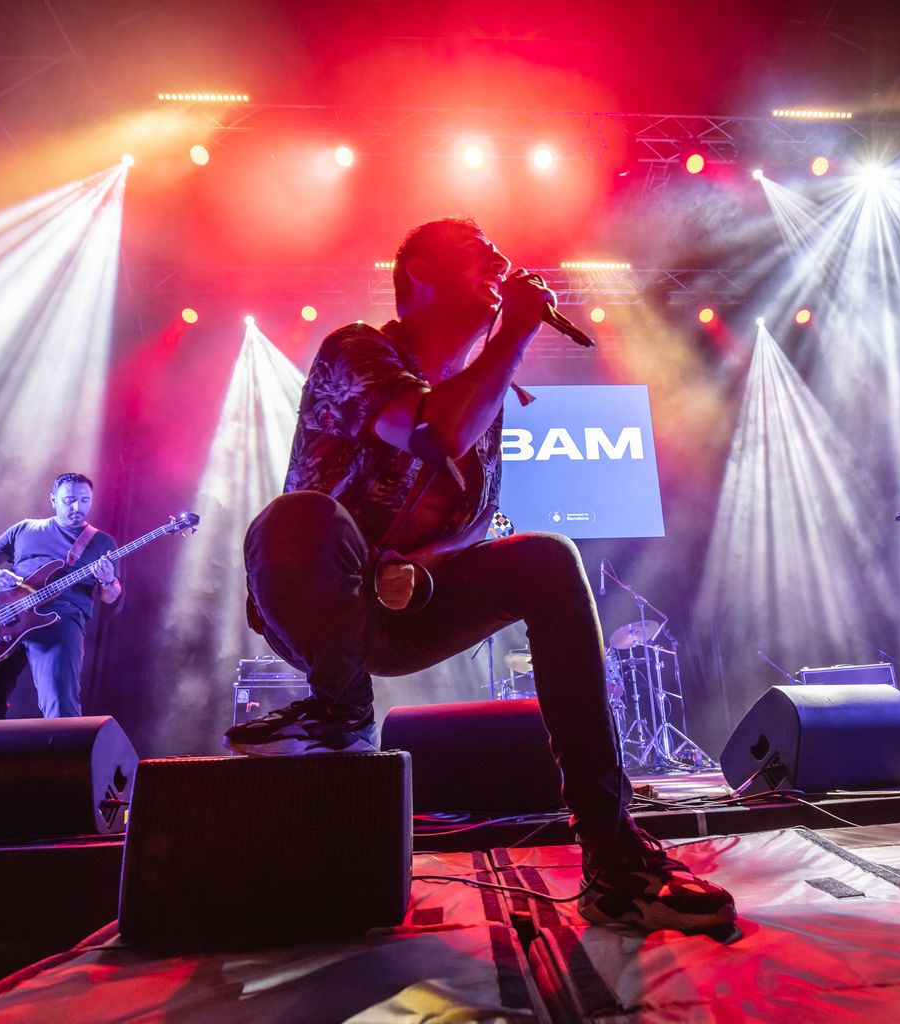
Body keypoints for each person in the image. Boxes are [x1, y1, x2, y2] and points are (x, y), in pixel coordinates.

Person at [228, 218, 735, 933]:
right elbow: (435, 431)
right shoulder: (356, 351)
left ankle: (612, 854)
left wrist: (420, 579)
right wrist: (514, 334)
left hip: (401, 613)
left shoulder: (485, 399)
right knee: (300, 515)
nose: (501, 269)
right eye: (480, 258)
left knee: (547, 559)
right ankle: (337, 710)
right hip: (313, 598)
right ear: (422, 276)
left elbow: (461, 530)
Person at [0, 472, 121, 720]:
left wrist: (108, 579)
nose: (77, 506)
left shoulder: (102, 542)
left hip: (61, 619)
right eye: (69, 499)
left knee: (60, 703)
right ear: (53, 500)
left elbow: (110, 596)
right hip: (8, 617)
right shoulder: (26, 528)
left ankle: (64, 757)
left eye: (85, 500)